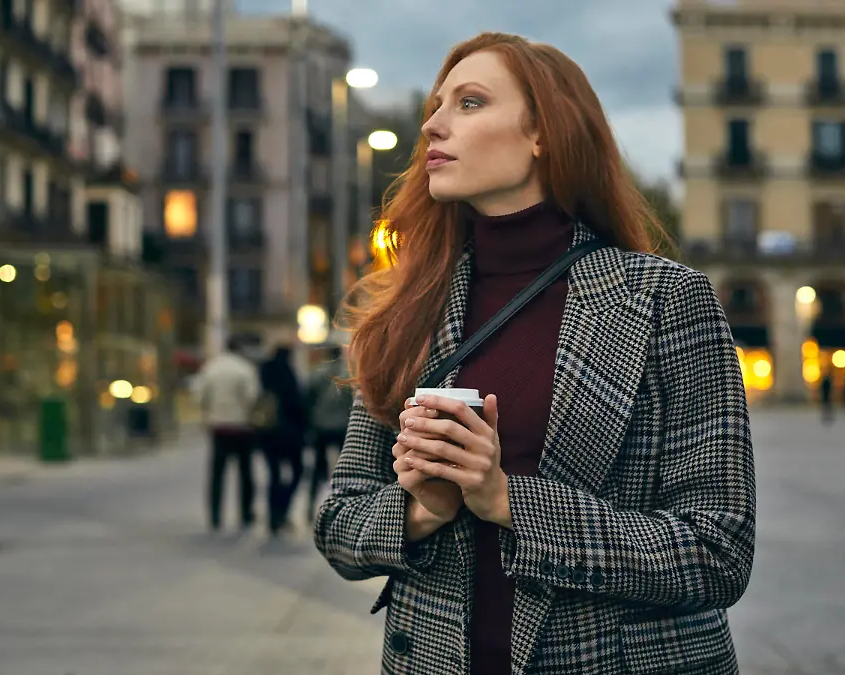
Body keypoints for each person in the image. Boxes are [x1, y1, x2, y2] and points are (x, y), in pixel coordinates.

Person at [313, 33, 756, 675]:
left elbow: (718, 552)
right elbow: (339, 527)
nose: (432, 124)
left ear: (543, 132)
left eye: (469, 103)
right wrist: (420, 510)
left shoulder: (664, 300)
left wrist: (509, 501)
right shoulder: (410, 309)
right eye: (435, 107)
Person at [192, 337, 261, 532]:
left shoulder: (211, 368)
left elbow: (199, 396)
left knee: (217, 474)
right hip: (242, 427)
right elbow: (252, 397)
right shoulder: (245, 369)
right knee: (245, 474)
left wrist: (209, 412)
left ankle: (215, 515)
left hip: (218, 426)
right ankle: (246, 513)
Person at [257, 343, 309, 535]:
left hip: (269, 435)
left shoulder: (265, 375)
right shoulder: (288, 376)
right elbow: (297, 406)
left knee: (274, 475)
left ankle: (273, 516)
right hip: (290, 436)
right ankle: (283, 509)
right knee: (297, 472)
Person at [305, 343, 353, 522]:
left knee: (318, 468)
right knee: (345, 468)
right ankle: (343, 506)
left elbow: (309, 398)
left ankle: (310, 506)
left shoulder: (318, 373)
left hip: (321, 426)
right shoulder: (347, 375)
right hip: (342, 426)